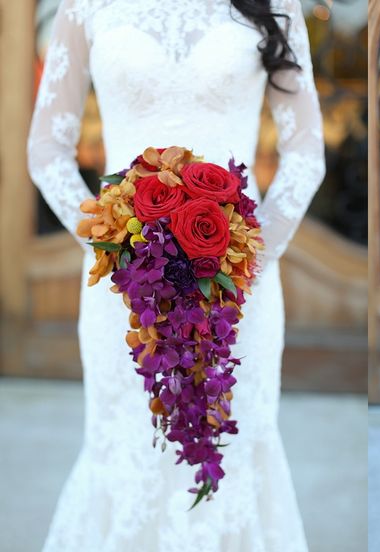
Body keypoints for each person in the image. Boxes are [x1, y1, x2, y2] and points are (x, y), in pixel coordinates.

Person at [26, 0, 325, 550]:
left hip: (237, 283)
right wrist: (110, 242)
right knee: (128, 447)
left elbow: (305, 147)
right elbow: (46, 148)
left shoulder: (274, 4)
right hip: (125, 286)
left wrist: (250, 254)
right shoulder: (84, 5)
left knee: (235, 446)